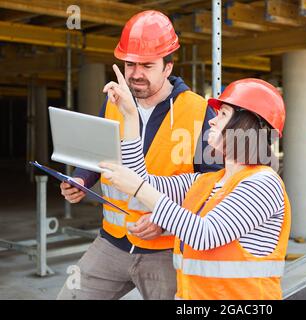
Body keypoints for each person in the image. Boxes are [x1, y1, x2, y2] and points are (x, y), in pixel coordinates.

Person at [57, 10, 221, 300]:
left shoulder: (198, 110)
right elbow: (99, 154)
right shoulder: (113, 103)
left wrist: (164, 219)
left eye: (147, 65)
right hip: (111, 242)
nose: (136, 73)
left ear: (168, 67)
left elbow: (212, 183)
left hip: (166, 248)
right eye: (130, 64)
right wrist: (81, 179)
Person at [99, 77, 291, 300]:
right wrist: (130, 117)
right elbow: (141, 181)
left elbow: (205, 234)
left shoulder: (262, 184)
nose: (212, 121)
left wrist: (139, 187)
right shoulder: (206, 182)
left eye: (223, 114)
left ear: (245, 125)